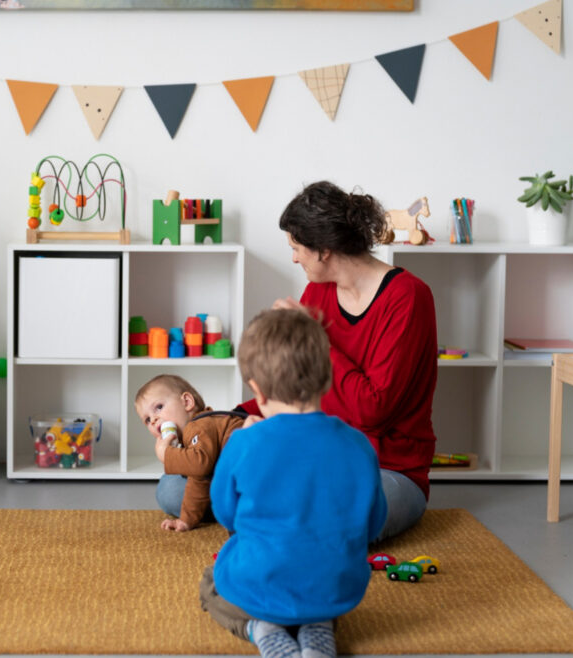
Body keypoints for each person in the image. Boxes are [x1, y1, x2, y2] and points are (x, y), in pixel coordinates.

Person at [239, 180, 437, 541]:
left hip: (387, 467)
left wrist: (316, 335)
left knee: (331, 522)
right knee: (177, 488)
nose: (294, 257)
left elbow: (371, 409)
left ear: (324, 250)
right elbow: (297, 383)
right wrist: (236, 415)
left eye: (297, 248)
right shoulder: (319, 290)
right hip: (315, 450)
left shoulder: (409, 297)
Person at [203, 308, 386, 658]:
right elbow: (374, 522)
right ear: (328, 379)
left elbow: (226, 515)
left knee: (211, 583)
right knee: (317, 587)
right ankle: (318, 627)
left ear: (256, 389)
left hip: (261, 583)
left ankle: (261, 628)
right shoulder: (358, 444)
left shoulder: (244, 443)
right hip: (334, 589)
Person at [134, 374, 246, 532]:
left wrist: (167, 455)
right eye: (147, 419)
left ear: (187, 402)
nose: (153, 420)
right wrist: (187, 521)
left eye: (159, 407)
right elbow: (199, 477)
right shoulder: (195, 435)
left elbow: (199, 465)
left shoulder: (199, 426)